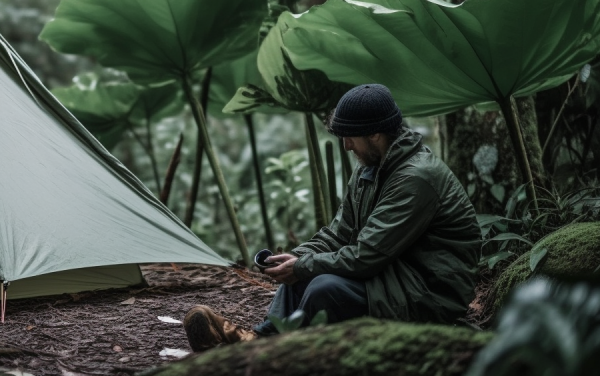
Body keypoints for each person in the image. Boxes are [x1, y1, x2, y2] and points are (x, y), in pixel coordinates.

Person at [184, 84, 481, 352]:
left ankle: (277, 353)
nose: (347, 146)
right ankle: (261, 341)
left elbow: (366, 256)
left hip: (426, 292)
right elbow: (339, 234)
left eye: (350, 137)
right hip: (391, 275)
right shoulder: (371, 168)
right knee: (305, 272)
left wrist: (303, 267)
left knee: (323, 286)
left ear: (375, 134)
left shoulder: (416, 178)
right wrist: (296, 258)